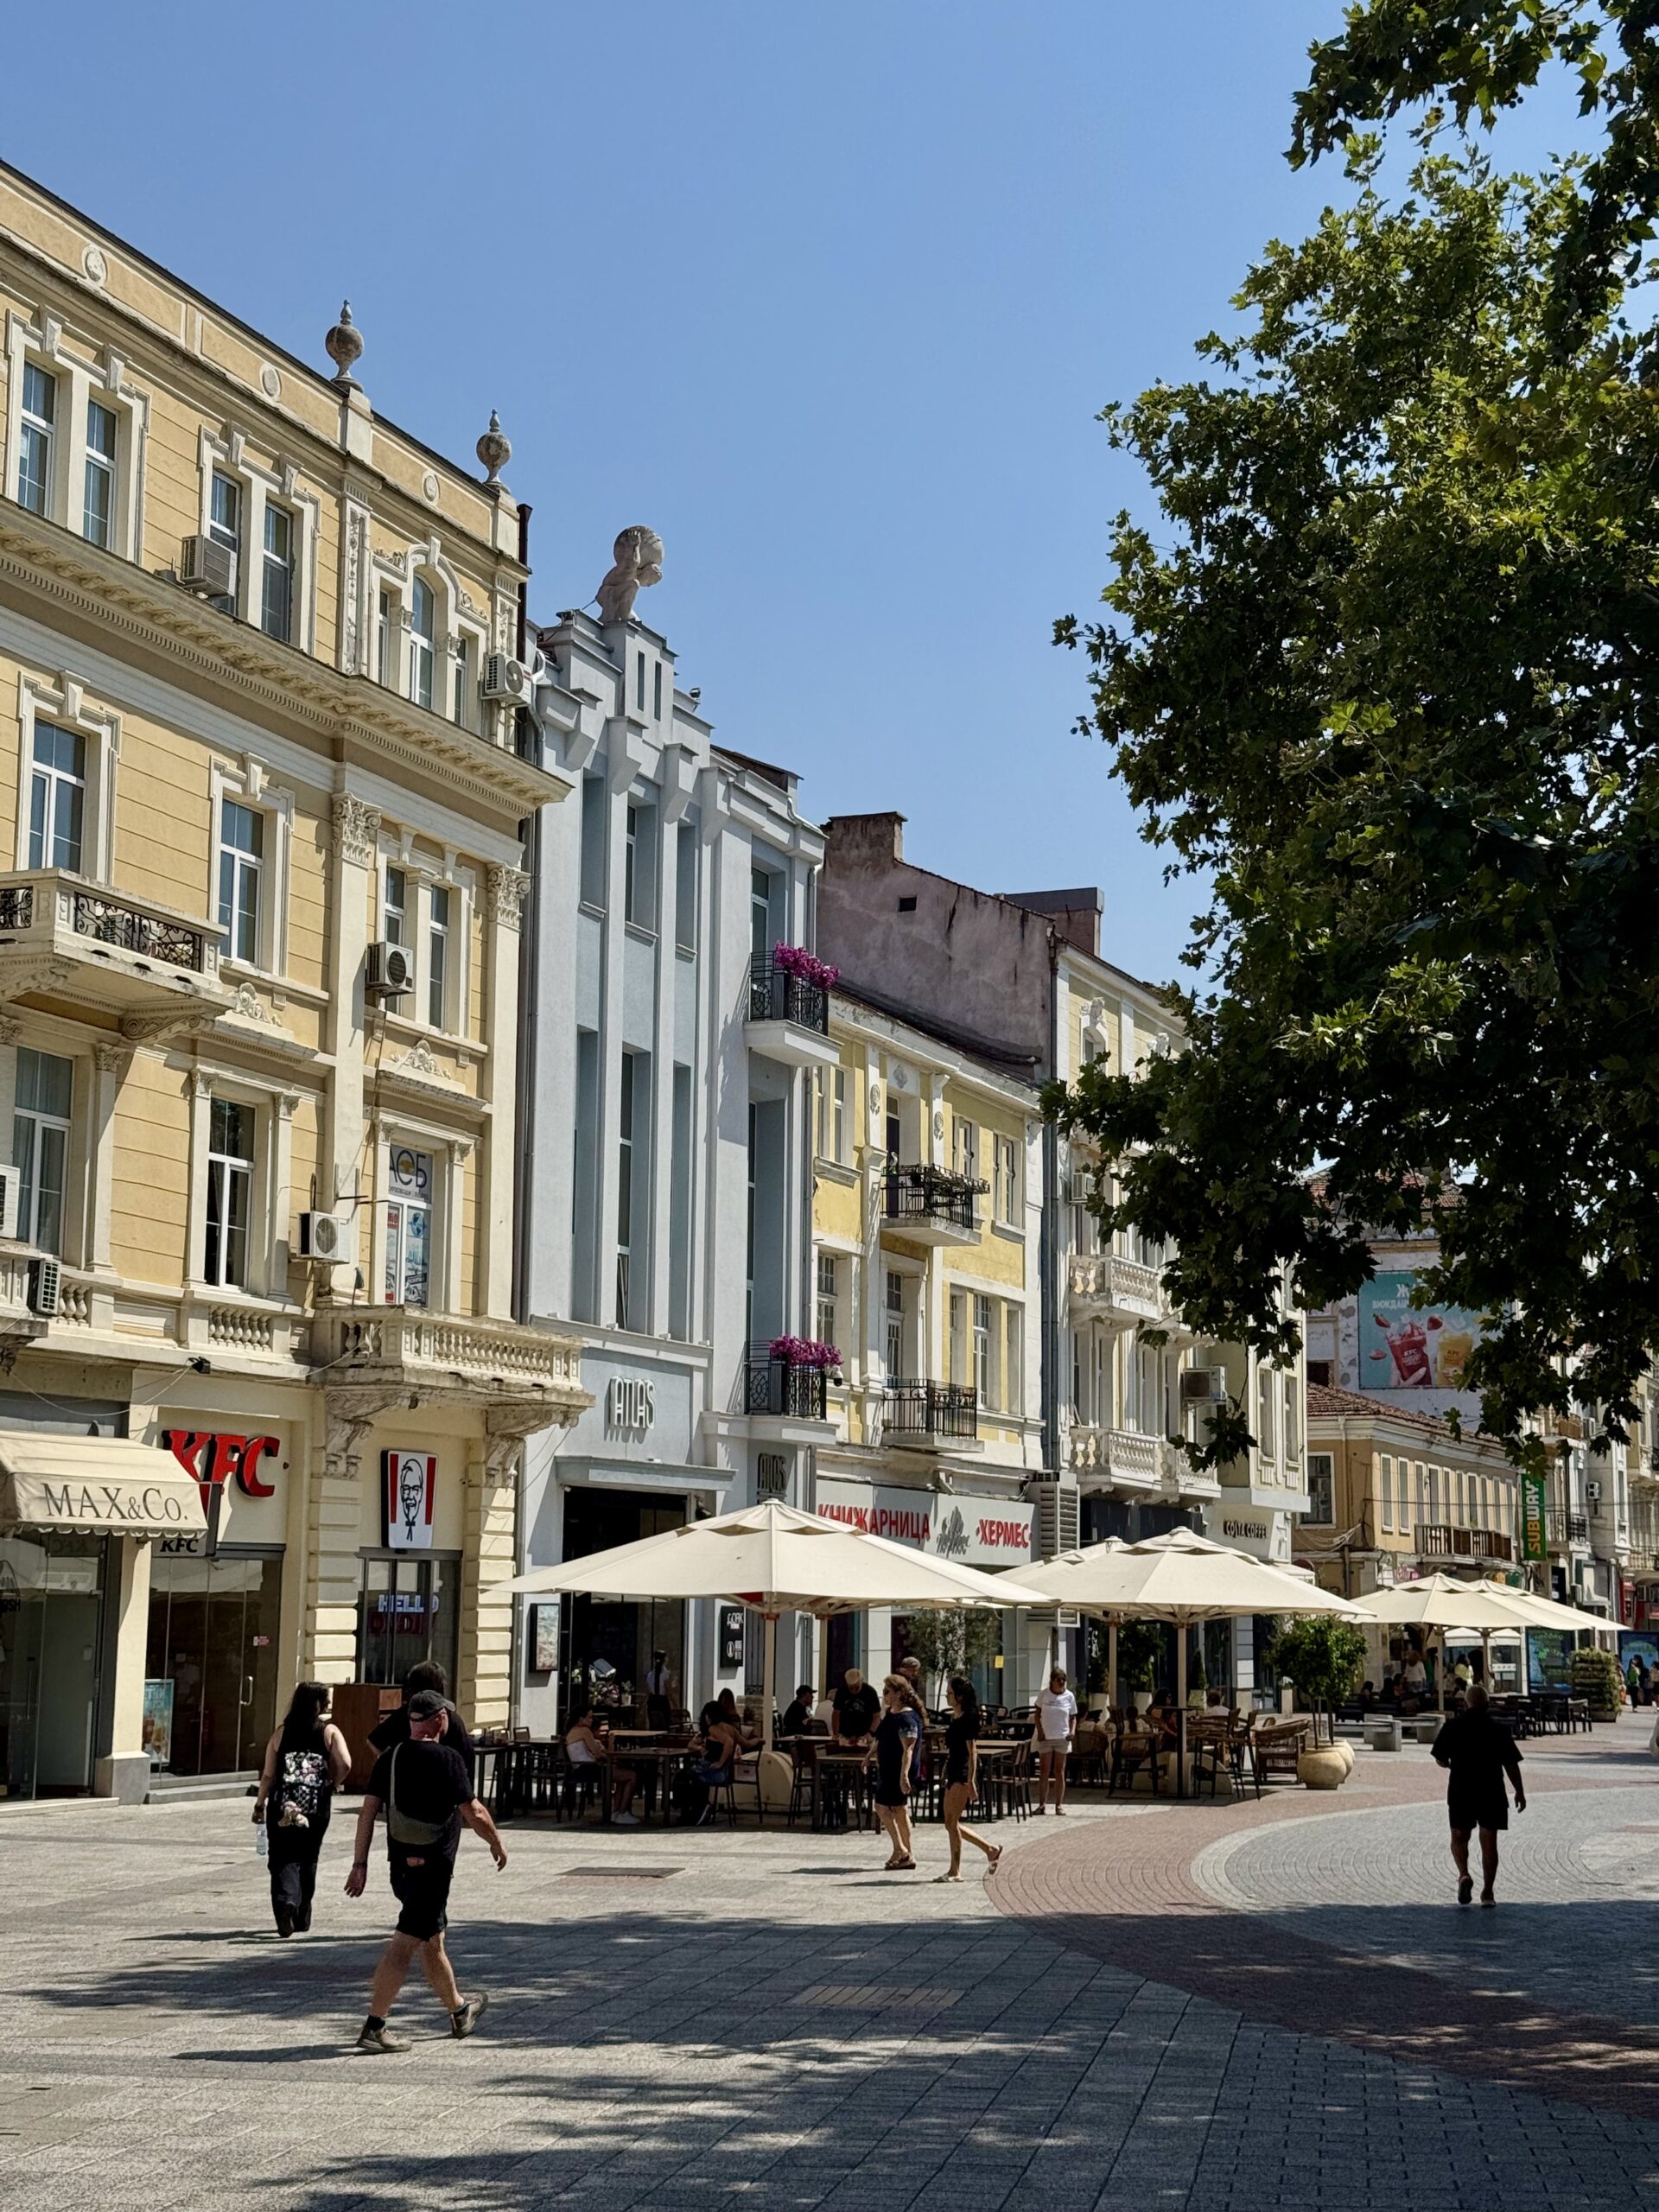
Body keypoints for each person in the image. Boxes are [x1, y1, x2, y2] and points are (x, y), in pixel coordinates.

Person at [344, 1690, 506, 2052]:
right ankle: (375, 2026)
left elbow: (368, 1812)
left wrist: (360, 1863)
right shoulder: (447, 1759)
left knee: (432, 1940)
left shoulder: (391, 1758)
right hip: (431, 1869)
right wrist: (496, 1843)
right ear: (438, 1720)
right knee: (404, 1943)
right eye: (445, 1715)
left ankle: (460, 2011)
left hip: (400, 1867)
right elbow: (474, 1812)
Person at [253, 1683, 350, 1938]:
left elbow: (268, 1774)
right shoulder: (329, 1731)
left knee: (283, 1857)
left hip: (282, 1805)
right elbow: (347, 1763)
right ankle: (302, 1914)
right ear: (321, 1704)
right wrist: (334, 1783)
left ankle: (285, 1903)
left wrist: (259, 1804)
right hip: (316, 1805)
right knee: (309, 1856)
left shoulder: (281, 1733)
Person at [1431, 1684, 1526, 1906]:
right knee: (1489, 1841)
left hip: (1461, 1790)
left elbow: (1440, 1758)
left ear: (1466, 1703)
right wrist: (1519, 1791)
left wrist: (1447, 1762)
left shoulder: (1453, 1726)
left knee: (1458, 1837)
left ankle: (1464, 1874)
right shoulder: (1497, 1729)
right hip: (1491, 1790)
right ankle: (1488, 1893)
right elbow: (1511, 1764)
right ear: (1487, 1704)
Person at [934, 1676, 1001, 1884]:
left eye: (950, 1693)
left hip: (963, 1771)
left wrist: (971, 1780)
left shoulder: (969, 1718)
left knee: (952, 1822)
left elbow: (972, 1751)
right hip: (953, 1768)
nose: (947, 1695)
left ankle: (955, 1870)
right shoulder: (956, 1716)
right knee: (949, 1822)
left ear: (960, 1696)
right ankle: (989, 1849)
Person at [367, 1660, 475, 1780]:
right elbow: (467, 1758)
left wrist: (391, 1765)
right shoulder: (450, 1718)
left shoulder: (406, 1713)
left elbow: (374, 1741)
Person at [870, 1674, 924, 1871]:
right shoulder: (892, 1714)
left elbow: (908, 1748)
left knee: (882, 1807)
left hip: (896, 1771)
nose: (884, 1695)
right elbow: (880, 1738)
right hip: (889, 1769)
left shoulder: (907, 1717)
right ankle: (904, 1853)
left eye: (887, 1692)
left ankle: (902, 1850)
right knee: (899, 1811)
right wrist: (869, 1755)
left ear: (899, 1693)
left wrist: (904, 1775)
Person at [565, 1702, 639, 1823]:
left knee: (621, 1776)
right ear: (581, 1719)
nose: (591, 1720)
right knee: (631, 1776)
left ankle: (617, 1812)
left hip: (580, 1768)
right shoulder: (584, 1731)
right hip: (588, 1768)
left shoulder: (572, 1731)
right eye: (589, 1717)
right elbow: (597, 1754)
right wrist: (609, 1756)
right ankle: (622, 1812)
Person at [1032, 1667, 1078, 1815]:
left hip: (1062, 1737)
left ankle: (1059, 1805)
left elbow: (1073, 1717)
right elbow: (1037, 1714)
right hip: (1046, 1737)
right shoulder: (1044, 1695)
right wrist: (1039, 1731)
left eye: (1064, 1680)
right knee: (1044, 1771)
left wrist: (1072, 1732)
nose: (1062, 1682)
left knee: (1059, 1771)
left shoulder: (1069, 1696)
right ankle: (1042, 1804)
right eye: (1059, 1680)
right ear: (1052, 1681)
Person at [833, 1667, 880, 1743]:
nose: (854, 1691)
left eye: (857, 1688)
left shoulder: (870, 1692)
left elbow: (877, 1716)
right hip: (845, 1733)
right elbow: (836, 1714)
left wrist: (870, 1733)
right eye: (851, 1688)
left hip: (865, 1732)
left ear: (862, 1681)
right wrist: (836, 1734)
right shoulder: (841, 1692)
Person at [645, 1650, 677, 1731]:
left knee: (653, 1724)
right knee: (666, 1725)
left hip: (652, 1702)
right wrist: (675, 1704)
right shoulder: (666, 1674)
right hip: (662, 1702)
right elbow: (669, 1691)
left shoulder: (650, 1675)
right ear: (665, 1660)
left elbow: (648, 1691)